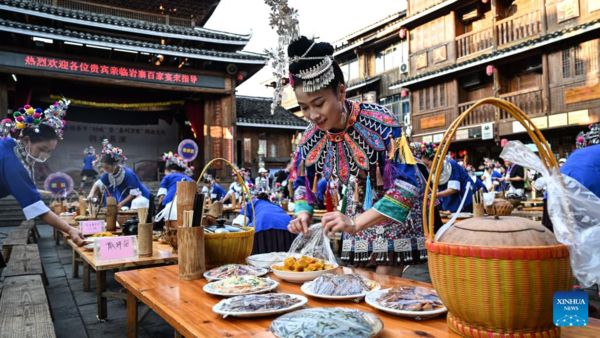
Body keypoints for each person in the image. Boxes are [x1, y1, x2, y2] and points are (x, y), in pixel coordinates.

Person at [285, 36, 427, 276]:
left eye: (319, 103)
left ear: (341, 92)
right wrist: (302, 213)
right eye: (304, 107)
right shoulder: (310, 137)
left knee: (382, 283)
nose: (312, 114)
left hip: (393, 209)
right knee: (358, 280)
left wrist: (355, 223)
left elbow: (408, 184)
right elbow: (301, 183)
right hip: (356, 206)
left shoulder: (380, 122)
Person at [0, 101, 85, 270]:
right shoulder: (10, 161)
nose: (45, 155)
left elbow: (23, 187)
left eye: (49, 152)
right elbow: (38, 209)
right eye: (42, 149)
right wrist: (70, 230)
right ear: (26, 140)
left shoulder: (9, 145)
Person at [87, 140, 150, 210]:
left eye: (107, 168)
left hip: (142, 200)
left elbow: (134, 193)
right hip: (128, 200)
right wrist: (91, 194)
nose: (105, 170)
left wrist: (120, 204)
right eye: (104, 168)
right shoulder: (108, 174)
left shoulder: (128, 174)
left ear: (114, 165)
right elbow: (98, 184)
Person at [418, 142, 474, 213]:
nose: (427, 168)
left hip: (463, 201)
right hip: (448, 203)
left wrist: (436, 195)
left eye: (427, 165)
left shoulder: (451, 165)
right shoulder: (432, 172)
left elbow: (454, 189)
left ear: (435, 160)